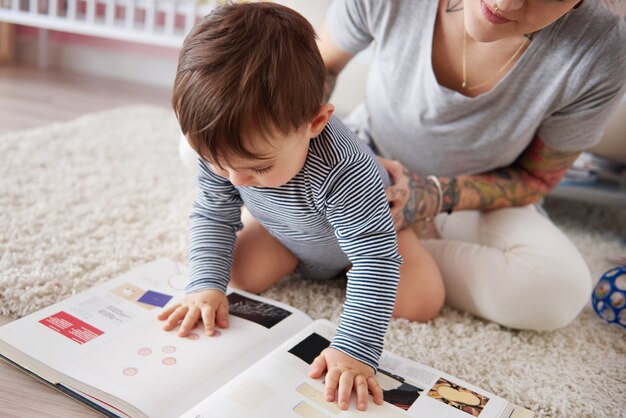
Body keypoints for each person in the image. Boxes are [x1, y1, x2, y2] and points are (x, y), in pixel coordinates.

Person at [159, 2, 444, 411]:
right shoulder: (224, 156)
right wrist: (204, 284)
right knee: (236, 276)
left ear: (316, 122)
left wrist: (355, 348)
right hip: (289, 233)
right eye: (220, 164)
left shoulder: (345, 169)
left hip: (370, 238)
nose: (235, 180)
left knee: (422, 301)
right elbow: (213, 213)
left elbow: (377, 259)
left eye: (257, 167)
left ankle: (398, 249)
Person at [317, 0, 626, 332]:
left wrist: (430, 197)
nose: (506, 3)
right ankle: (371, 247)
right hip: (368, 161)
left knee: (559, 291)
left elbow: (537, 177)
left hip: (473, 197)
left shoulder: (604, 45)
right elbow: (319, 71)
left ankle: (357, 249)